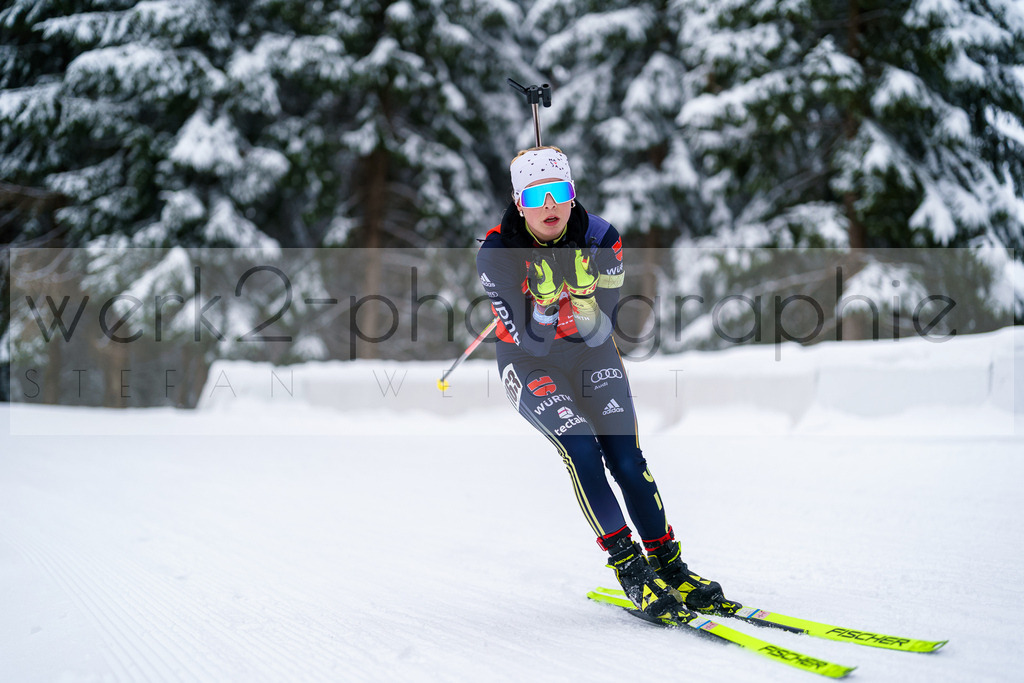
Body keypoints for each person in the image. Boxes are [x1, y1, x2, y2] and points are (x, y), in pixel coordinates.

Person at [476, 146, 738, 619]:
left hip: (590, 351)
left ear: (572, 194)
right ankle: (629, 567)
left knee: (626, 457)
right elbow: (531, 343)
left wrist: (583, 299)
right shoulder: (497, 253)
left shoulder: (600, 237)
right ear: (520, 204)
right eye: (537, 198)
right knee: (580, 446)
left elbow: (604, 329)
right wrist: (542, 304)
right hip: (528, 363)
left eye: (559, 193)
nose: (550, 206)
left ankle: (670, 565)